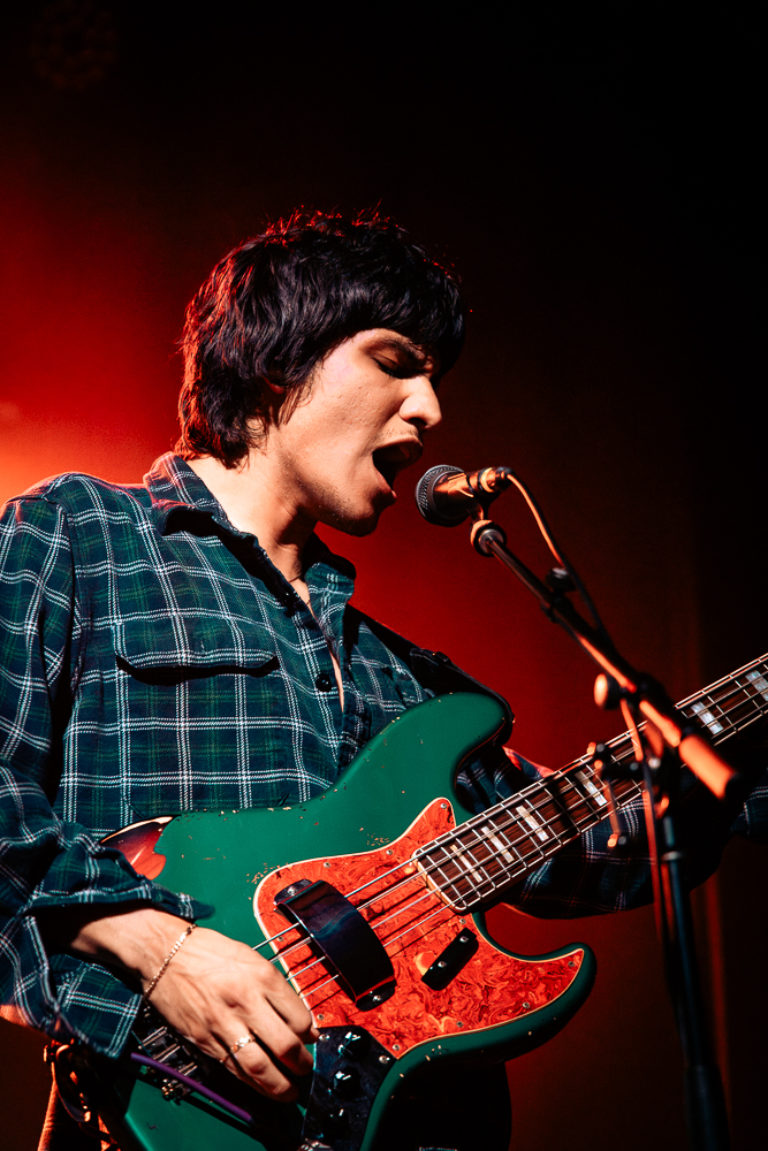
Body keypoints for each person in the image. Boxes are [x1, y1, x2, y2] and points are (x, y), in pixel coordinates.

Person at [1, 208, 765, 1151]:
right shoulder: (80, 537)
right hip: (161, 1114)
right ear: (280, 358)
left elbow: (583, 847)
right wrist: (157, 945)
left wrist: (726, 773)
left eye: (435, 378)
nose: (431, 410)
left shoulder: (408, 678)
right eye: (396, 362)